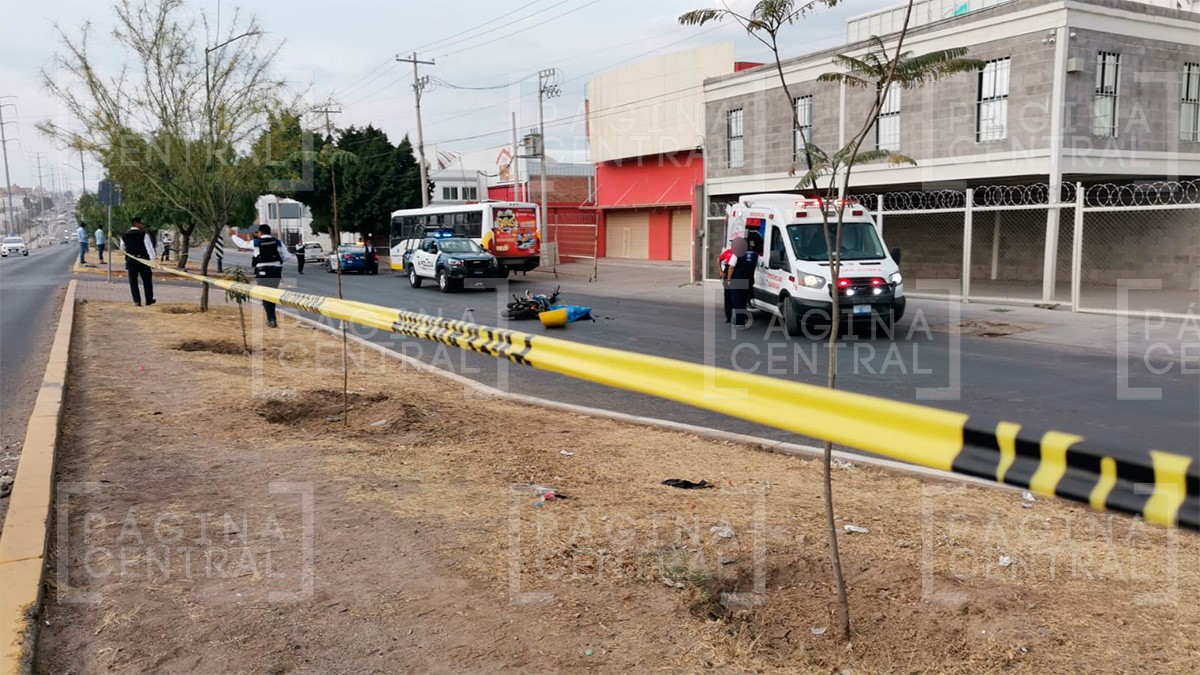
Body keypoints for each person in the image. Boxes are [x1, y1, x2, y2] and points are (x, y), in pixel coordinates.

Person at [251, 224, 293, 328]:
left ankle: (271, 320)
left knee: (265, 296)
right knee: (271, 295)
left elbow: (241, 243)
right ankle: (272, 319)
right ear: (269, 232)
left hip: (262, 271)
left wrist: (233, 235)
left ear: (260, 233)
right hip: (276, 271)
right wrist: (278, 261)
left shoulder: (256, 242)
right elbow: (288, 256)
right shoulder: (278, 242)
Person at [120, 217, 157, 306]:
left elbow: (123, 248)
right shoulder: (143, 234)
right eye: (141, 223)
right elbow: (149, 248)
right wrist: (152, 261)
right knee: (147, 280)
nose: (143, 225)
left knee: (133, 281)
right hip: (143, 260)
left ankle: (137, 300)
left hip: (131, 260)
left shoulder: (124, 235)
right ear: (136, 224)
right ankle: (149, 299)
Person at [727, 236, 758, 327]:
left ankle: (740, 321)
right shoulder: (755, 254)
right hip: (749, 280)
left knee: (737, 300)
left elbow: (731, 267)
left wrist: (729, 279)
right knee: (744, 300)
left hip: (737, 280)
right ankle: (743, 318)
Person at [718, 240, 734, 323]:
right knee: (727, 295)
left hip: (735, 272)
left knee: (736, 296)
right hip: (728, 270)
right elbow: (719, 259)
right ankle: (728, 317)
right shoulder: (728, 252)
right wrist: (720, 271)